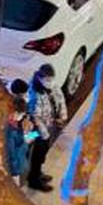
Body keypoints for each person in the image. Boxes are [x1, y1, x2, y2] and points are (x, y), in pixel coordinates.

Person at [26, 64, 66, 193]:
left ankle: (38, 173)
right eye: (48, 80)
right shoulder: (34, 94)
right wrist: (44, 133)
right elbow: (35, 116)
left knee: (43, 151)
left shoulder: (51, 86)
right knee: (38, 153)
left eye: (51, 79)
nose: (50, 82)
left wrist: (62, 116)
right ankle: (34, 179)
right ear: (41, 78)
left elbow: (60, 99)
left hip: (48, 125)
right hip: (38, 130)